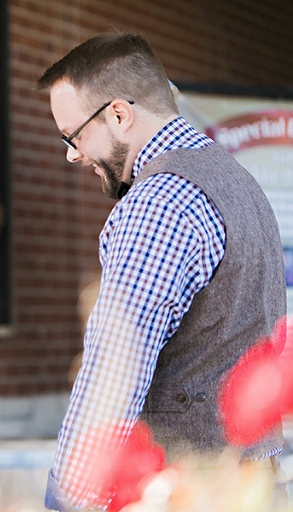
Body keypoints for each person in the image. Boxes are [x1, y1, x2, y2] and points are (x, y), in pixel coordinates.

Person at [36, 33, 286, 510]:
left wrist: (66, 498)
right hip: (254, 482)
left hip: (187, 488)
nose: (71, 154)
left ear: (119, 114)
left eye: (73, 136)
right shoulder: (239, 182)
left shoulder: (158, 203)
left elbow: (113, 375)